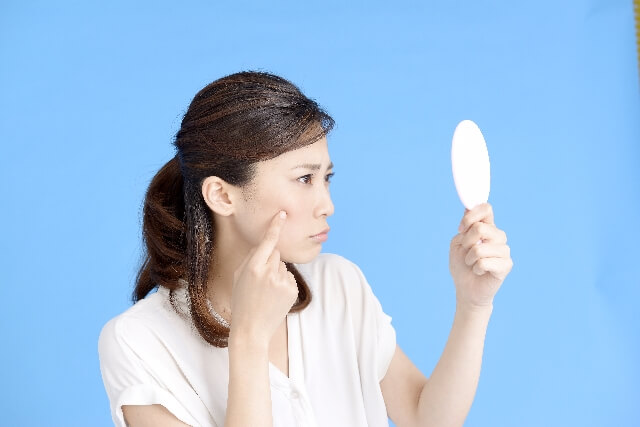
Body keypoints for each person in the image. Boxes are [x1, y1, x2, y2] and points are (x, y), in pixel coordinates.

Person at [98, 70, 513, 427]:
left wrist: (474, 304)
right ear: (222, 196)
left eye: (326, 178)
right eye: (304, 179)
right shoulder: (138, 343)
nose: (327, 205)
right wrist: (249, 340)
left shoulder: (339, 285)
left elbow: (426, 418)